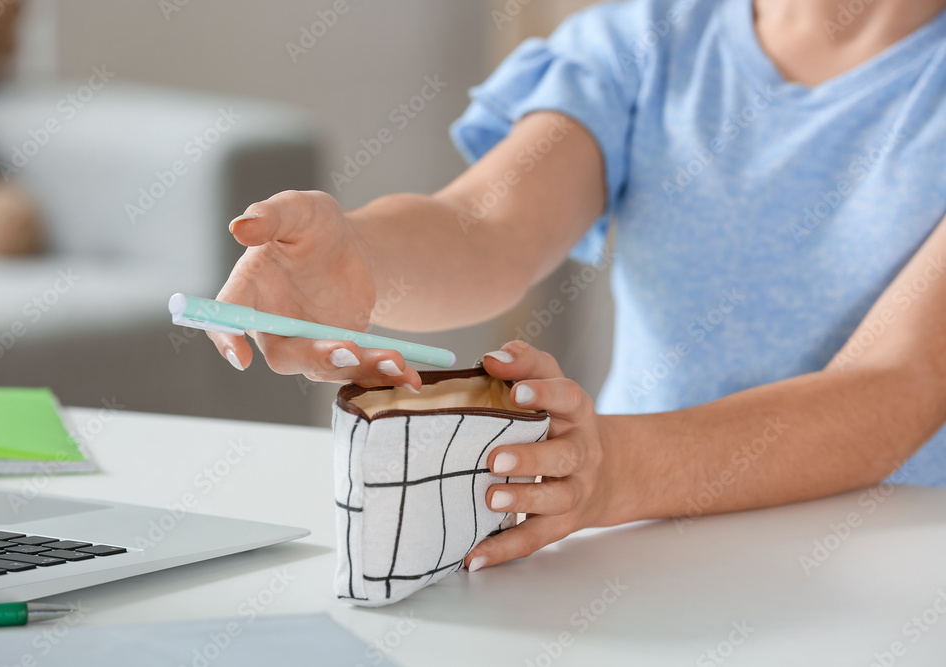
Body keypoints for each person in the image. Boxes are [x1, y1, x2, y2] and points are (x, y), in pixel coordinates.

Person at [207, 0, 946, 573]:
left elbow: (899, 382)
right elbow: (487, 223)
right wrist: (359, 260)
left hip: (893, 571)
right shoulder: (645, 41)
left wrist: (618, 469)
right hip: (642, 551)